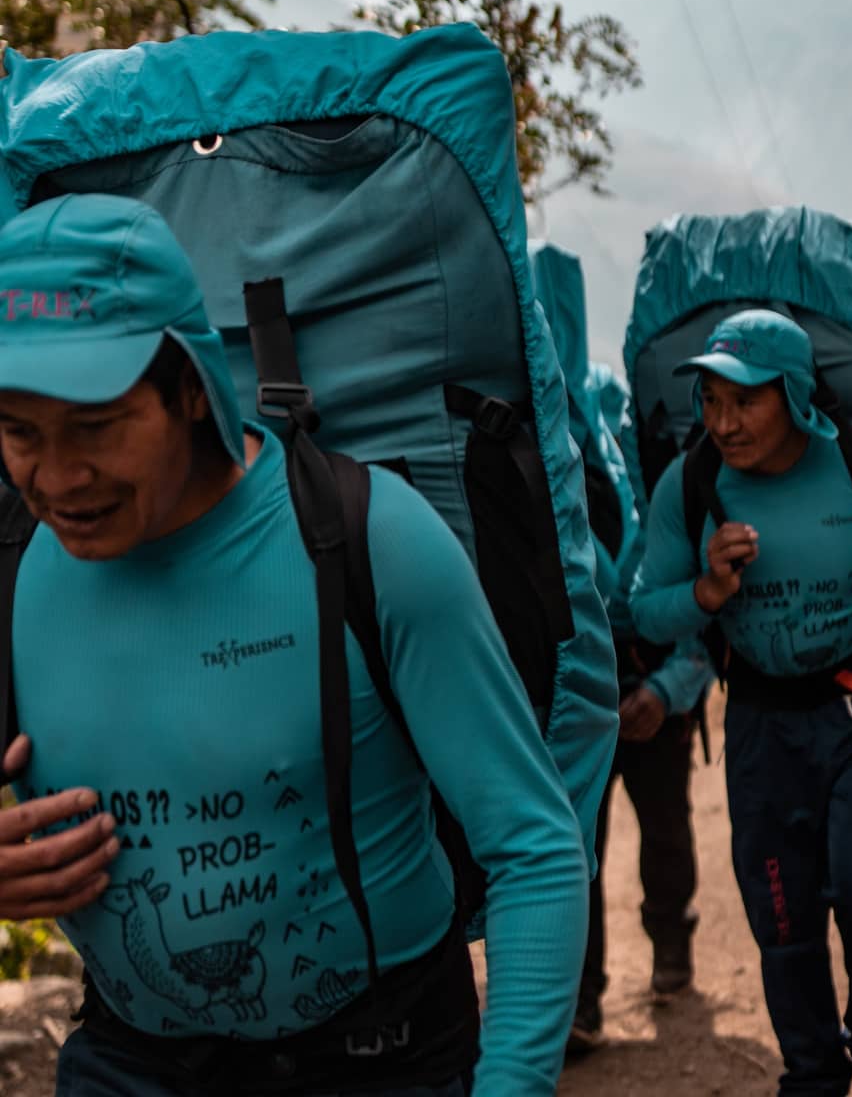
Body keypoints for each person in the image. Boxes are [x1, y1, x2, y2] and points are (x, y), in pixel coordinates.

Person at [0, 192, 591, 1097]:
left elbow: (533, 845)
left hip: (382, 1058)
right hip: (132, 1063)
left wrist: (511, 1082)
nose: (57, 478)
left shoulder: (369, 543)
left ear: (193, 386)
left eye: (96, 426)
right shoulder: (12, 570)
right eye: (18, 433)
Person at [629, 308, 852, 1097]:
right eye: (709, 400)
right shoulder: (690, 485)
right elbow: (644, 607)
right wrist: (705, 589)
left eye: (744, 401)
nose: (721, 422)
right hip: (763, 731)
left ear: (795, 396)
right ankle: (811, 1072)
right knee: (783, 921)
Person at [568, 602, 711, 1051]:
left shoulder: (665, 529)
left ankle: (671, 937)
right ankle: (578, 998)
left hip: (659, 683)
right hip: (576, 695)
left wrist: (667, 691)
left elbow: (702, 610)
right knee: (576, 848)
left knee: (665, 825)